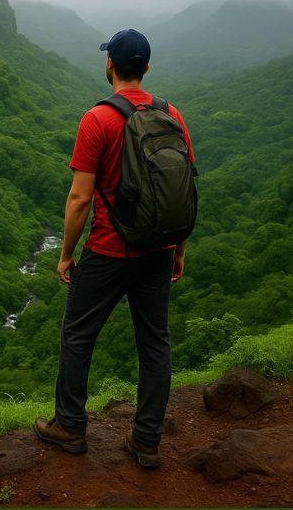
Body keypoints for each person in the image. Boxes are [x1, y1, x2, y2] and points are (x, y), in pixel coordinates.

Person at [32, 29, 194, 469]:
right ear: (146, 67)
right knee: (155, 343)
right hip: (159, 249)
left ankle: (69, 427)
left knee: (78, 336)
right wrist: (178, 250)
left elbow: (80, 198)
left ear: (110, 66)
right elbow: (180, 190)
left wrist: (66, 254)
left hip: (107, 251)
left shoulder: (98, 119)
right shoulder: (172, 114)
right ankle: (146, 440)